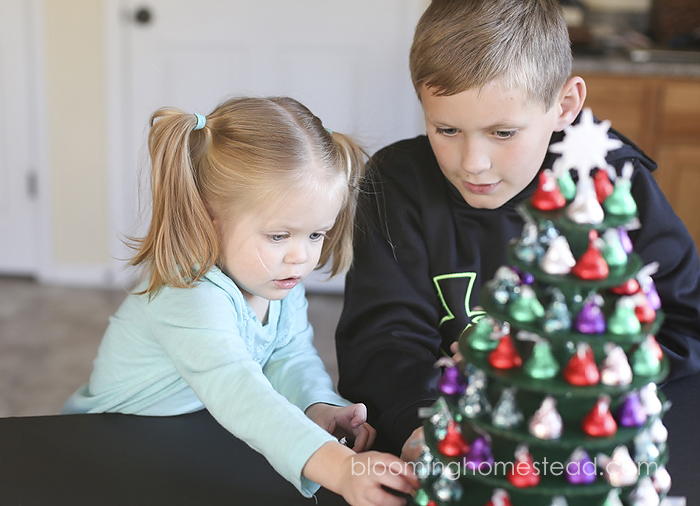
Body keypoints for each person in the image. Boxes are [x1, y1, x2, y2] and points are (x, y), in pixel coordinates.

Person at [335, 0, 700, 462]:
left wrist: (561, 374)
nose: (472, 163)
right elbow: (381, 339)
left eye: (503, 133)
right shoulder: (396, 184)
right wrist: (421, 423)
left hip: (592, 442)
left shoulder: (611, 185)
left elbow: (683, 325)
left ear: (564, 105)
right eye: (446, 129)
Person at [63, 96, 417, 505]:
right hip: (110, 445)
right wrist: (339, 467)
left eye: (316, 234)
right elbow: (241, 393)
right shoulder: (189, 297)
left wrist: (318, 404)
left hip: (192, 436)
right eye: (279, 235)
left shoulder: (277, 279)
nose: (300, 257)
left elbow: (290, 355)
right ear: (210, 218)